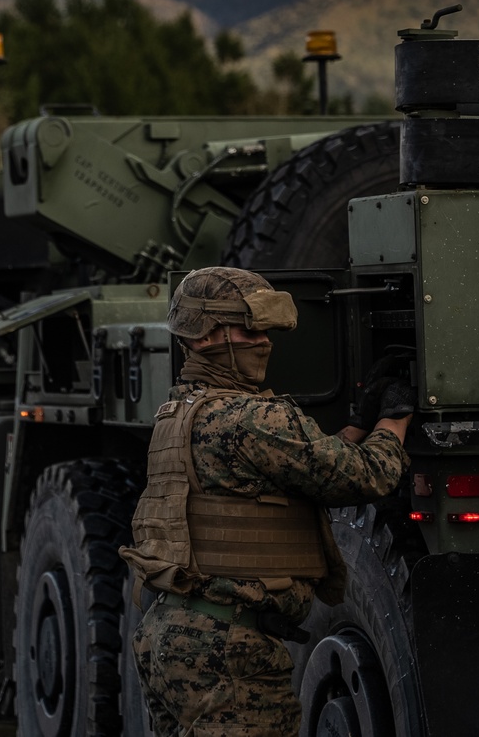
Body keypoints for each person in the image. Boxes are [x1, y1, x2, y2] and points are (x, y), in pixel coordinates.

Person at [120, 266, 414, 737]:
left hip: (171, 639)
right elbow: (366, 475)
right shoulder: (252, 419)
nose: (263, 342)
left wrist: (359, 423)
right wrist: (394, 419)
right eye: (250, 329)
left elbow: (297, 469)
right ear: (210, 334)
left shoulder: (178, 414)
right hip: (228, 654)